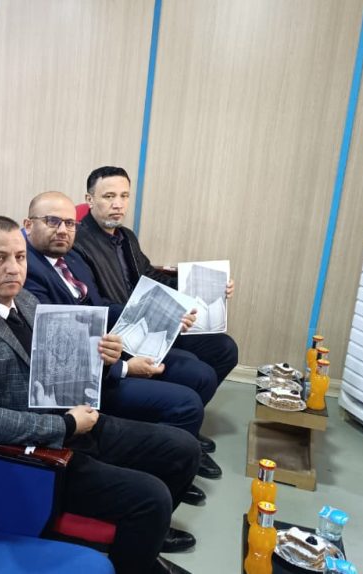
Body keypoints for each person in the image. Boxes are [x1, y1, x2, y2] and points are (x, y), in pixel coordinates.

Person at [0, 216, 200, 574]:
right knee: (152, 498)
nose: (13, 268)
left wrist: (101, 362)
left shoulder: (24, 299)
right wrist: (66, 425)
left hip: (73, 419)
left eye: (20, 257)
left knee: (184, 449)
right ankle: (135, 557)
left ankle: (141, 544)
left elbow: (58, 367)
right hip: (36, 453)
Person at [24, 191, 222, 487]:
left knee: (197, 369)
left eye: (70, 223)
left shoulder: (71, 258)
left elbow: (102, 306)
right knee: (187, 402)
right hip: (85, 376)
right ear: (28, 224)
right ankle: (168, 470)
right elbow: (58, 348)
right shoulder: (27, 270)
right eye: (53, 221)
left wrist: (166, 315)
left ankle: (177, 458)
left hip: (108, 346)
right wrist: (126, 368)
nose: (63, 230)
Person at [72, 167, 239, 434]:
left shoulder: (126, 237)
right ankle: (176, 429)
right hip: (122, 336)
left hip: (152, 321)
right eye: (109, 196)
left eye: (124, 196)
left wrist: (208, 287)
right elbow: (96, 305)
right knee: (199, 373)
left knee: (224, 348)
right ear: (89, 199)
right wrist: (163, 315)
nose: (118, 204)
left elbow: (151, 277)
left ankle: (180, 425)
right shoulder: (77, 244)